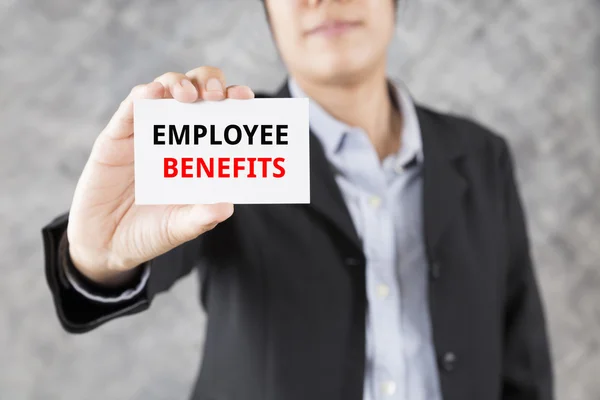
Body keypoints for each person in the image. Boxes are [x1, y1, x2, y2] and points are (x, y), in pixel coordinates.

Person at [42, 0, 554, 399]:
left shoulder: (481, 155)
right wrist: (96, 257)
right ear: (270, 14)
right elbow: (136, 256)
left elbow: (521, 355)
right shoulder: (228, 137)